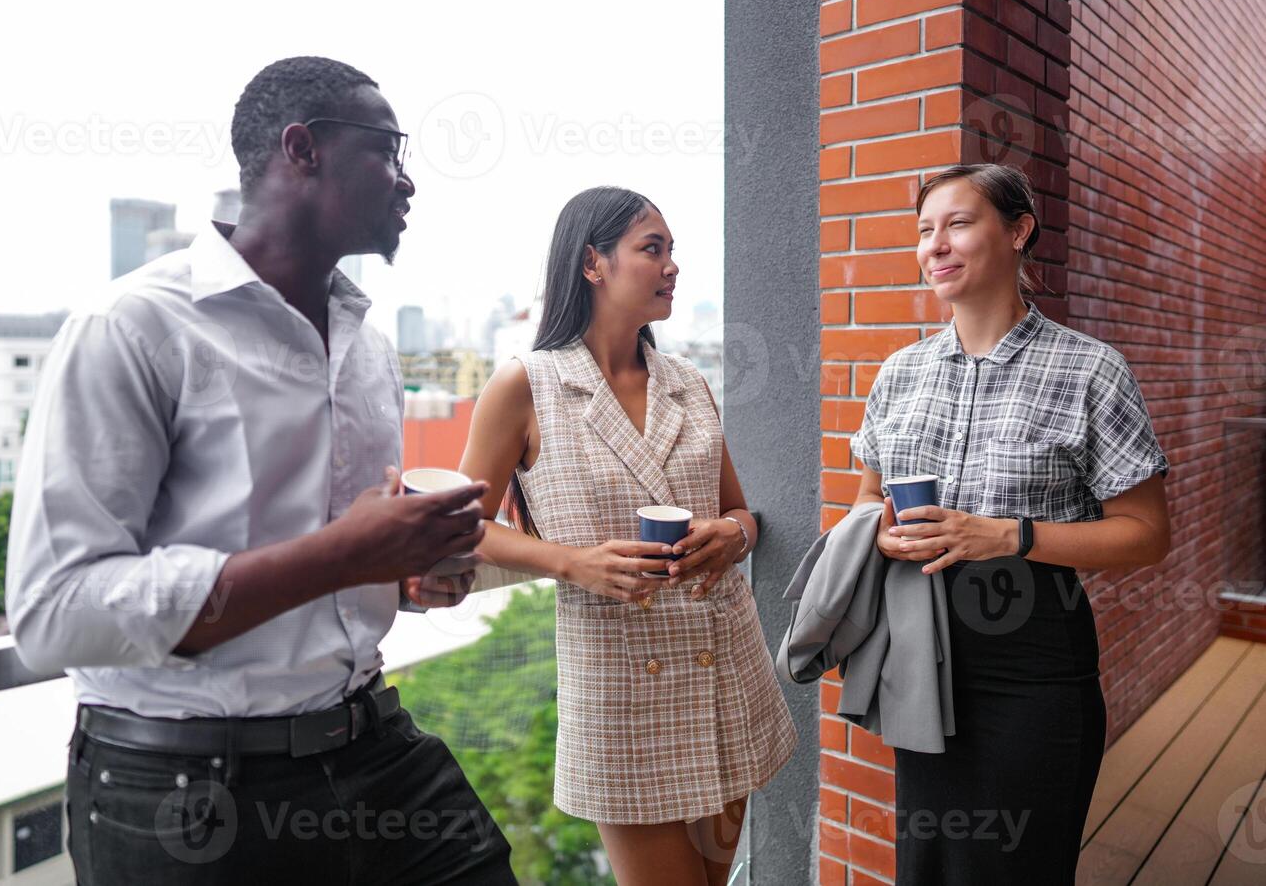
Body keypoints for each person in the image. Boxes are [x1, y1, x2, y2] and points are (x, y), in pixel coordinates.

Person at [6, 56, 517, 885]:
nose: (408, 180)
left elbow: (335, 568)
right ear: (302, 150)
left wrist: (402, 579)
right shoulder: (134, 328)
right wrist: (349, 556)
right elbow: (53, 615)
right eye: (389, 148)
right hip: (188, 793)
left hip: (373, 743)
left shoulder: (368, 349)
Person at [457, 186, 798, 885]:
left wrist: (731, 538)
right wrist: (572, 563)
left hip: (723, 667)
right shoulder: (525, 385)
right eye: (653, 249)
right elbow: (465, 531)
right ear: (593, 263)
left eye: (673, 251)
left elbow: (741, 514)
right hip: (619, 687)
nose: (672, 266)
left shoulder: (689, 383)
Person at [848, 163, 1172, 884]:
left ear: (1019, 231)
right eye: (926, 230)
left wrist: (1007, 535)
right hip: (919, 653)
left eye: (959, 224)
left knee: (1017, 866)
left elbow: (1148, 534)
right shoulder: (900, 372)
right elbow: (867, 499)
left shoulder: (1090, 370)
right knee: (930, 864)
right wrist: (878, 530)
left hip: (1034, 666)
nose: (937, 245)